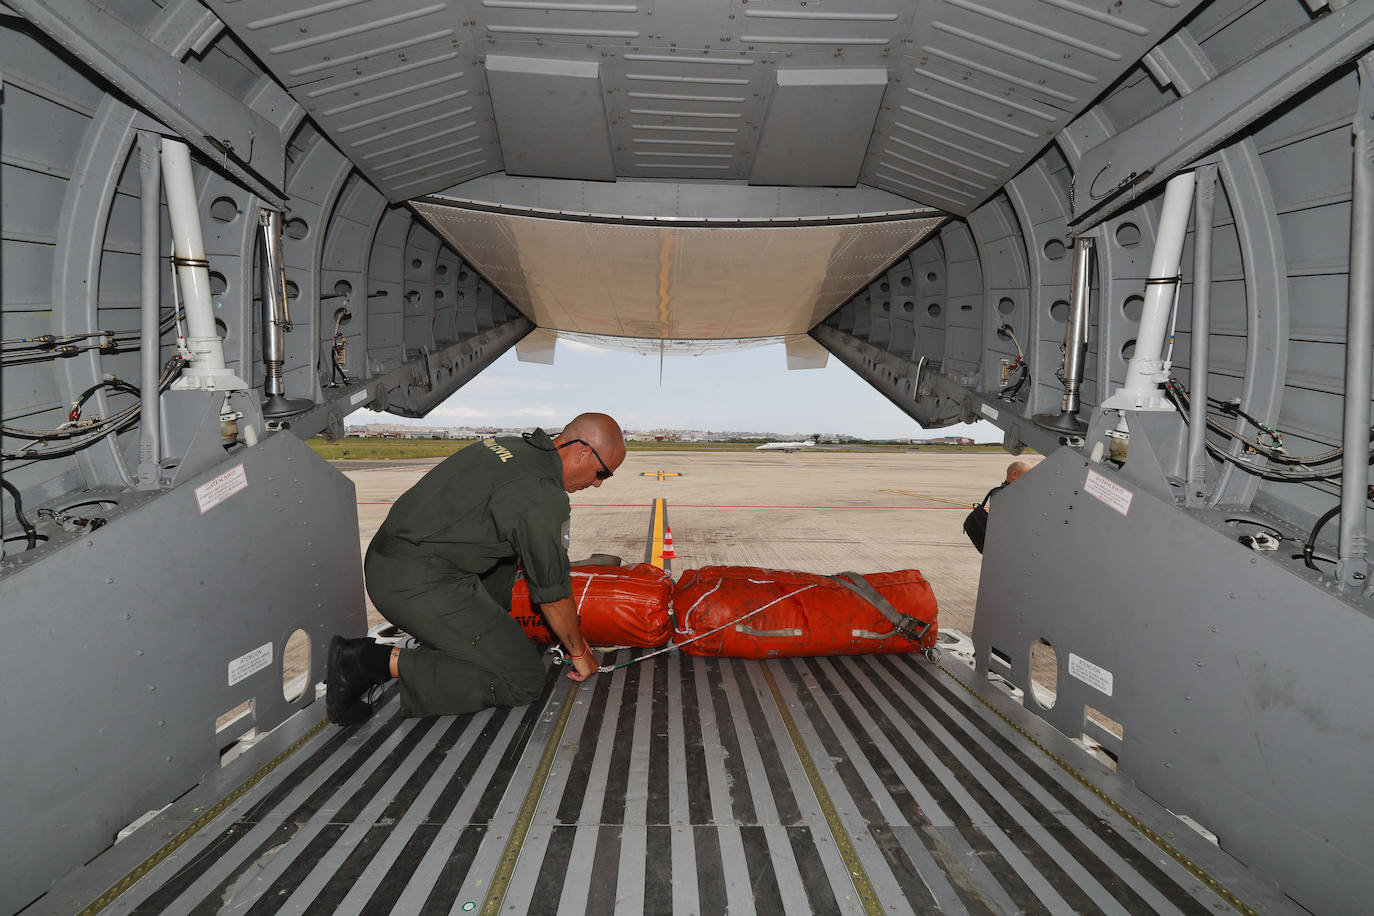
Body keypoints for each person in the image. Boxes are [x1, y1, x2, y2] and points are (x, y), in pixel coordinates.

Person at [326, 412, 626, 725]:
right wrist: (579, 651)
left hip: (393, 557)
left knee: (503, 591)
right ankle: (364, 662)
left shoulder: (510, 446)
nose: (597, 484)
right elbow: (552, 594)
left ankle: (454, 642)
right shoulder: (541, 496)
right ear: (582, 452)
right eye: (601, 473)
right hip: (415, 582)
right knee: (523, 679)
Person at [963, 460, 1031, 554]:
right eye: (1026, 476)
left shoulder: (1006, 493)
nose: (1029, 480)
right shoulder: (1002, 494)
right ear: (1014, 475)